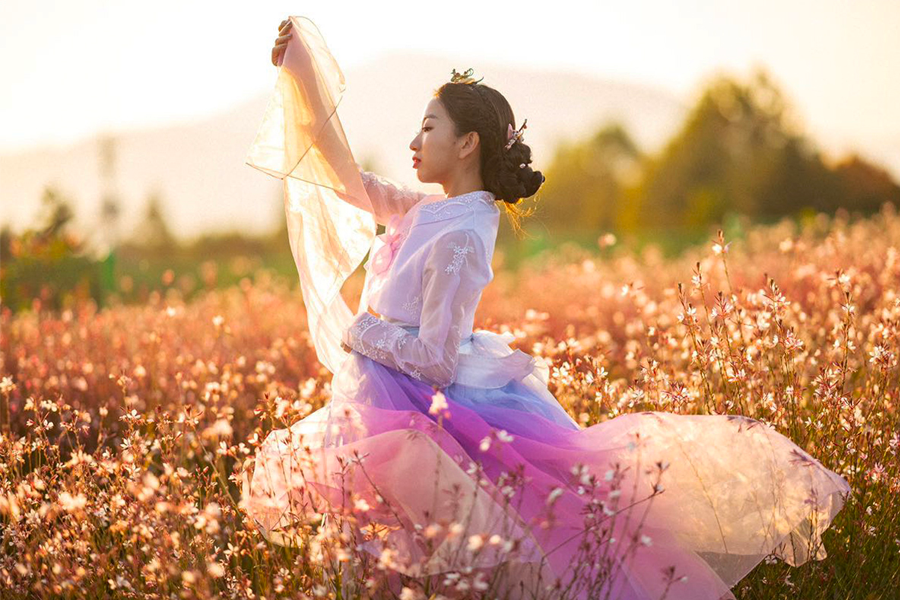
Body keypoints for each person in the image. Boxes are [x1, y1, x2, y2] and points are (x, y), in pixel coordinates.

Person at [241, 17, 851, 600]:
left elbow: (435, 361)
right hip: (391, 409)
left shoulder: (462, 231)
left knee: (428, 564)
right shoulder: (428, 209)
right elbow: (347, 178)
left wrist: (364, 332)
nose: (413, 140)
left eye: (428, 127)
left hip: (424, 419)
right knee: (383, 562)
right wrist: (302, 78)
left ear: (468, 142)